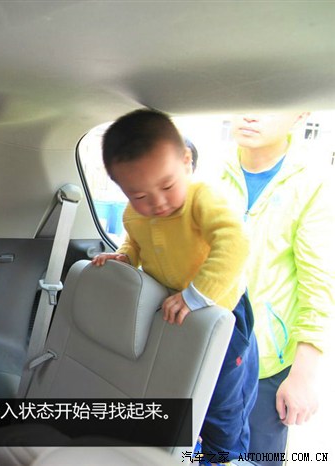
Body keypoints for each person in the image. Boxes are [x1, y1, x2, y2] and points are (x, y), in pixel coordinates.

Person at [91, 109, 257, 465]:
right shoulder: (133, 214)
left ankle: (224, 457)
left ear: (186, 161)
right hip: (175, 312)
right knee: (184, 389)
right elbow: (136, 241)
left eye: (167, 186)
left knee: (223, 401)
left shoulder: (201, 199)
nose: (158, 203)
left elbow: (236, 241)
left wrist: (197, 295)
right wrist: (125, 256)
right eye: (139, 195)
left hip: (222, 313)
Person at [219, 113, 335, 466]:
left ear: (299, 113)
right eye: (243, 102)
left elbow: (319, 284)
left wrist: (302, 376)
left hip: (266, 367)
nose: (250, 115)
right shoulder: (214, 172)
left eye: (267, 105)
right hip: (208, 352)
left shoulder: (313, 182)